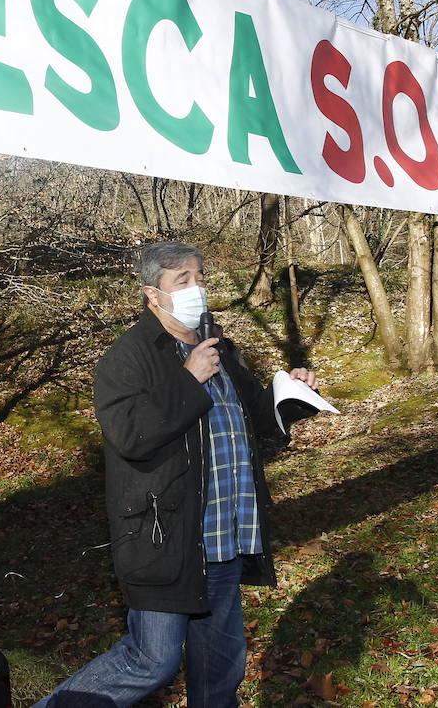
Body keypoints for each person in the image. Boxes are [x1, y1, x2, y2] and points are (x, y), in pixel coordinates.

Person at [33, 241, 318, 708]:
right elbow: (130, 436)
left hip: (226, 532)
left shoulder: (218, 347)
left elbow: (256, 422)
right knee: (152, 660)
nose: (196, 288)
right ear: (153, 294)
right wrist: (188, 380)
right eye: (181, 281)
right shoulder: (130, 356)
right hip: (165, 540)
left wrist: (291, 395)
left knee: (220, 660)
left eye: (199, 277)